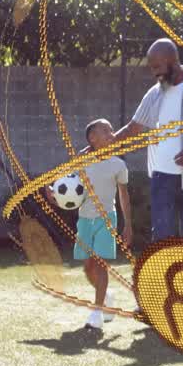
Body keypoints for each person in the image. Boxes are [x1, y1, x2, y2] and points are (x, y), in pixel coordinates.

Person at [96, 39, 183, 243]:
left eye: (157, 67)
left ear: (172, 60)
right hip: (162, 179)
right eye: (151, 68)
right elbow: (133, 128)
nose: (154, 73)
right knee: (162, 240)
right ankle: (163, 275)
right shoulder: (154, 94)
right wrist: (103, 146)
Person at [47, 118, 133, 331]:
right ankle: (106, 297)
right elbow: (68, 189)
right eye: (105, 130)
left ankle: (96, 313)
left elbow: (124, 196)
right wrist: (54, 195)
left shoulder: (118, 164)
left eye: (112, 129)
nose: (111, 133)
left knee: (100, 263)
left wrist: (128, 225)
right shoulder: (81, 162)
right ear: (92, 138)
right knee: (88, 267)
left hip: (107, 219)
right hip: (85, 219)